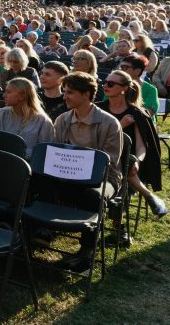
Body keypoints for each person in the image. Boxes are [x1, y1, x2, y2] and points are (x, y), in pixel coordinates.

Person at [47, 72, 123, 272]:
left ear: (87, 94)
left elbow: (110, 161)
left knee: (92, 196)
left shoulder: (109, 123)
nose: (64, 97)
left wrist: (80, 166)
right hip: (67, 174)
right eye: (64, 92)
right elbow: (55, 152)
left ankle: (86, 252)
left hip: (104, 177)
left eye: (70, 93)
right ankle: (40, 231)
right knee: (38, 181)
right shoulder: (63, 119)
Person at [98, 69, 167, 246]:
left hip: (128, 166)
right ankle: (147, 196)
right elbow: (99, 141)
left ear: (125, 88)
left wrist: (138, 160)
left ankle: (119, 229)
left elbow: (141, 146)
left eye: (111, 84)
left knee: (127, 163)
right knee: (123, 166)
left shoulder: (136, 113)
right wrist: (120, 126)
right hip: (100, 159)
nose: (105, 86)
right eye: (105, 82)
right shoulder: (99, 109)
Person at [0, 78, 54, 158]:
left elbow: (43, 153)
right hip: (0, 160)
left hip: (28, 166)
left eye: (8, 92)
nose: (4, 95)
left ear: (22, 95)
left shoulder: (43, 121)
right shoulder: (0, 114)